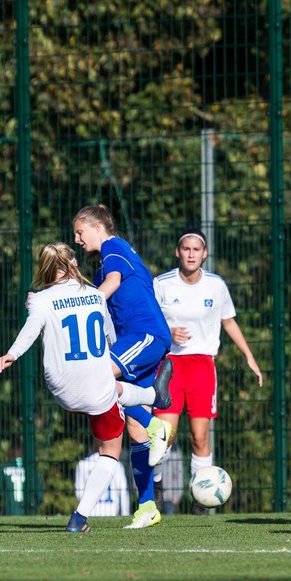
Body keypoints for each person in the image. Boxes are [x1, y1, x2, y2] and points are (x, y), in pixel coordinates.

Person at [0, 242, 170, 533]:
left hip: (62, 389)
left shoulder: (41, 299)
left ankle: (152, 401)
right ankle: (78, 519)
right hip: (97, 387)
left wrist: (11, 354)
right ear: (73, 263)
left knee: (112, 389)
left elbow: (31, 328)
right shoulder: (95, 296)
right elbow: (110, 336)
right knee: (110, 450)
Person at [72, 205, 174, 530]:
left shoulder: (113, 247)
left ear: (96, 227)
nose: (77, 239)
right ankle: (147, 506)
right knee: (134, 428)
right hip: (133, 339)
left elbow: (113, 282)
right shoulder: (104, 263)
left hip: (145, 334)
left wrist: (86, 304)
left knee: (99, 378)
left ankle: (156, 419)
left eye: (80, 232)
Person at [152, 231, 263, 510]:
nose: (191, 254)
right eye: (186, 248)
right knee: (163, 436)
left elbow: (229, 322)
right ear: (178, 252)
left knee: (199, 436)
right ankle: (155, 487)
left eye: (196, 249)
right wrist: (167, 332)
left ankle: (200, 499)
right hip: (169, 365)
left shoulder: (216, 285)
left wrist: (249, 355)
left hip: (202, 367)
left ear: (204, 254)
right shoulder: (162, 284)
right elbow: (148, 322)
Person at [75, 446, 131, 518]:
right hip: (112, 511)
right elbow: (124, 492)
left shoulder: (83, 463)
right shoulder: (117, 465)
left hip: (90, 513)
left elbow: (79, 493)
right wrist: (125, 513)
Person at [0, 442, 43, 517]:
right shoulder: (31, 469)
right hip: (30, 512)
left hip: (9, 512)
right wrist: (33, 505)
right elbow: (40, 496)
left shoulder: (4, 468)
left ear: (9, 452)